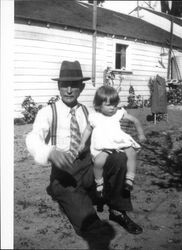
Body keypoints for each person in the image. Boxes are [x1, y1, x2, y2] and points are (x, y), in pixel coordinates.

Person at [26, 61, 143, 249]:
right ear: (58, 86)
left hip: (88, 167)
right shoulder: (47, 112)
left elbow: (107, 129)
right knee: (90, 224)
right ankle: (79, 200)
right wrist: (49, 152)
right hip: (65, 175)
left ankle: (117, 210)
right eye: (65, 85)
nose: (69, 90)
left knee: (119, 158)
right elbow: (32, 138)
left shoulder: (88, 111)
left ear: (81, 87)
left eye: (74, 85)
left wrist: (122, 129)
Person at [79, 85, 146, 198]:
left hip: (119, 141)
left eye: (115, 105)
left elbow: (135, 120)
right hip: (104, 144)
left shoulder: (119, 113)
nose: (112, 108)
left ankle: (130, 177)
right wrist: (82, 142)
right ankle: (99, 182)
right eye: (108, 105)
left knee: (131, 153)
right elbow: (88, 130)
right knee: (98, 162)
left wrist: (141, 134)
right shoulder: (94, 117)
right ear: (98, 105)